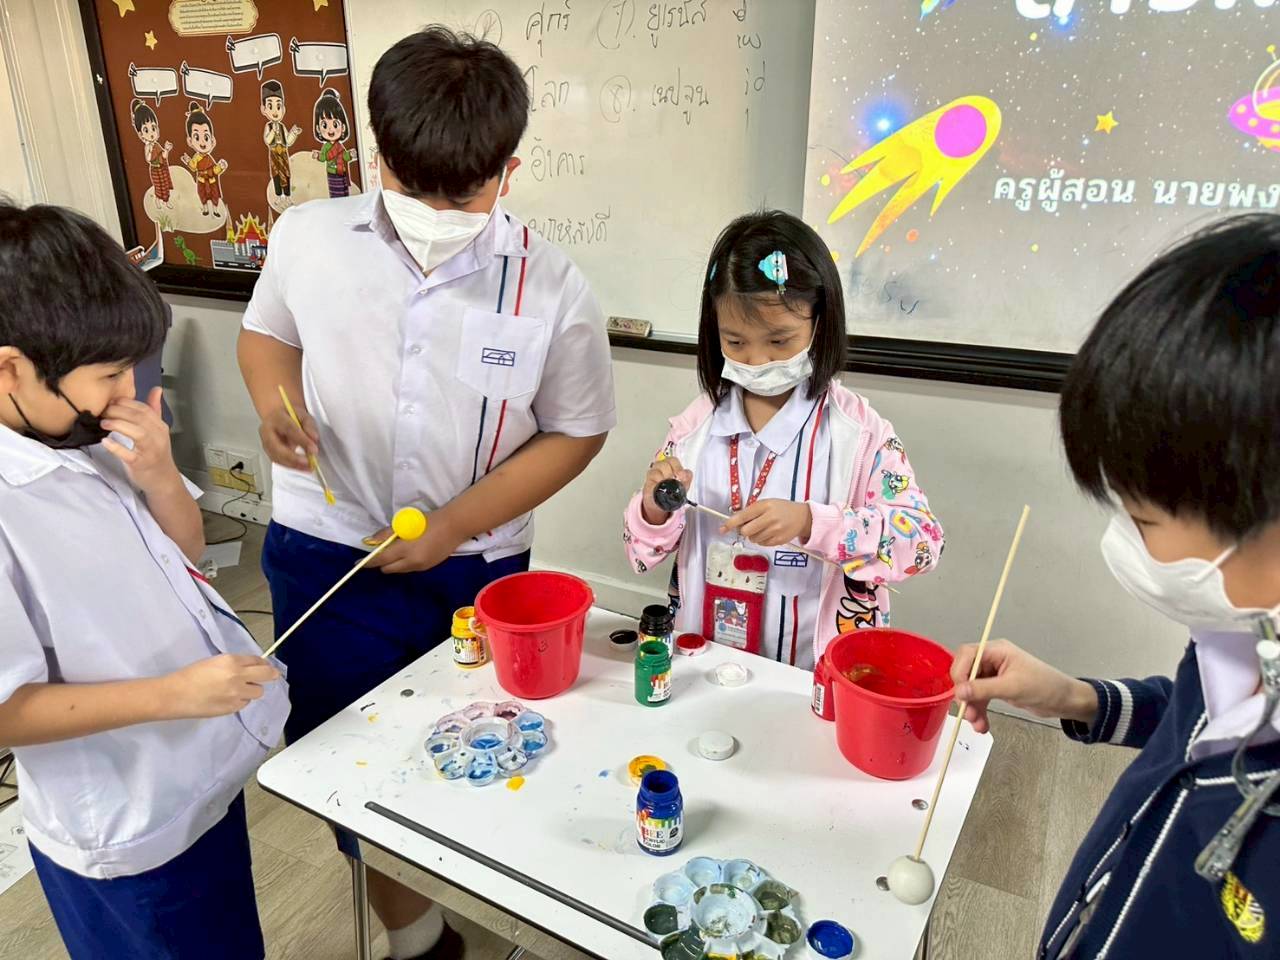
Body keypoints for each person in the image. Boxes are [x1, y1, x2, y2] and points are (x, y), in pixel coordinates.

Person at [237, 26, 615, 959]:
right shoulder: (308, 238)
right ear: (379, 157)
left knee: (484, 748)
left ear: (509, 170)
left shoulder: (553, 288)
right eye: (416, 190)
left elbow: (576, 430)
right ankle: (415, 935)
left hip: (474, 571)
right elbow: (267, 335)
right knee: (343, 758)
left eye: (468, 194)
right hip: (327, 551)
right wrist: (274, 406)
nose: (440, 214)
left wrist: (452, 526)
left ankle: (486, 895)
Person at [955, 215, 1280, 957]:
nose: (1122, 540)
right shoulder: (1240, 642)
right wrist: (1077, 698)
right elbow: (1196, 726)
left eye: (1144, 518)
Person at [0, 201, 288, 960]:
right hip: (125, 824)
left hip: (193, 777)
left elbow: (187, 555)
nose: (126, 390)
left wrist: (160, 475)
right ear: (10, 368)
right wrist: (173, 695)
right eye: (106, 375)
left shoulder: (81, 434)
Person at [624, 211, 943, 670]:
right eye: (735, 342)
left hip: (813, 676)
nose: (757, 361)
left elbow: (923, 542)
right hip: (706, 663)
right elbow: (640, 551)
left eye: (779, 341)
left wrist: (812, 523)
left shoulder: (860, 434)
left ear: (820, 323)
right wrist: (654, 509)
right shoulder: (694, 428)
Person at [179, 102, 227, 217]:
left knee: (214, 195)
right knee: (202, 195)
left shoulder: (209, 158)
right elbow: (194, 167)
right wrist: (188, 161)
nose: (202, 143)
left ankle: (215, 210)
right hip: (201, 180)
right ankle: (205, 209)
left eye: (206, 137)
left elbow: (214, 170)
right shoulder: (196, 157)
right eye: (197, 137)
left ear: (212, 140)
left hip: (211, 181)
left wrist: (220, 167)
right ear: (190, 141)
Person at [310, 88, 355, 199]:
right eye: (325, 125)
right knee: (335, 194)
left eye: (335, 124)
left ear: (343, 127)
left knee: (344, 192)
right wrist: (317, 156)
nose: (330, 129)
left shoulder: (340, 146)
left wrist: (350, 155)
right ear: (318, 128)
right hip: (332, 173)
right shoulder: (326, 146)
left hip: (342, 172)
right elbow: (324, 157)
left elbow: (344, 156)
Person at [261, 79, 301, 202]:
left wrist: (293, 133)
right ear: (264, 109)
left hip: (283, 153)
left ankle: (287, 196)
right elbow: (268, 140)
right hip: (274, 154)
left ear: (283, 109)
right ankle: (279, 196)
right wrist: (273, 132)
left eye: (278, 106)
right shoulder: (269, 126)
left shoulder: (282, 126)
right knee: (276, 175)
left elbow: (287, 141)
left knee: (286, 174)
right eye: (270, 106)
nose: (275, 111)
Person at [129, 99, 173, 208]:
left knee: (165, 185)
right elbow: (148, 159)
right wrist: (150, 150)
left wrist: (166, 150)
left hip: (162, 168)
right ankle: (158, 199)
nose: (151, 133)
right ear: (141, 134)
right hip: (155, 170)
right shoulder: (148, 146)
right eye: (146, 130)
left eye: (153, 128)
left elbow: (163, 156)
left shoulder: (157, 145)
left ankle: (166, 201)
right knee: (158, 186)